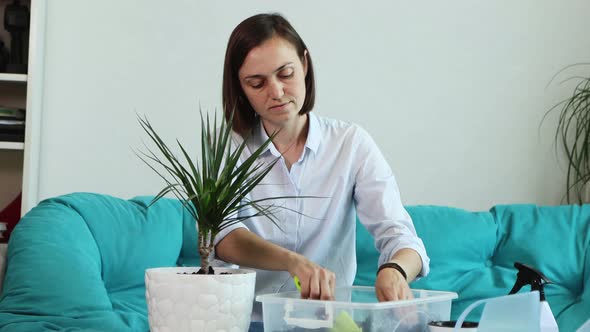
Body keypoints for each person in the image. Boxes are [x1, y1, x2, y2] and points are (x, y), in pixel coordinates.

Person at [213, 13, 430, 329]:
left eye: (285, 73)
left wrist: (394, 270)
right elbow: (225, 237)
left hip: (330, 323)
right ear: (240, 88)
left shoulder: (350, 143)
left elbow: (400, 235)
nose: (275, 91)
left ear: (304, 64)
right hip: (248, 321)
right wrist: (293, 263)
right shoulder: (229, 148)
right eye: (256, 83)